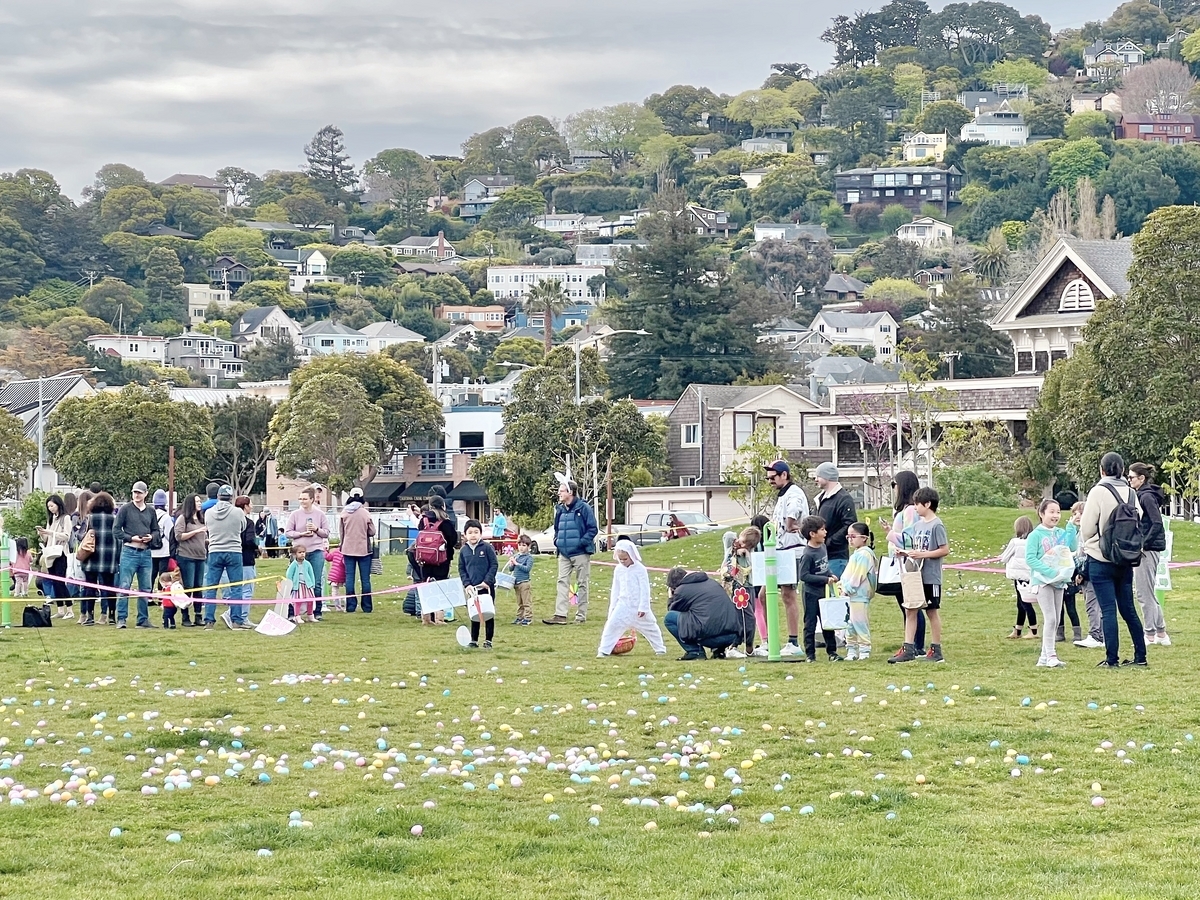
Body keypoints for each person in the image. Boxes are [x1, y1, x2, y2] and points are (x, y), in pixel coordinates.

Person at [1080, 451, 1147, 668]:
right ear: (1121, 469)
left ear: (1102, 470)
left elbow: (1087, 529)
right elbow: (1139, 519)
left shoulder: (1098, 492)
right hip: (1125, 558)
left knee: (1108, 609)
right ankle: (1140, 656)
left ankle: (1112, 659)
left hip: (1101, 558)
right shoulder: (1130, 492)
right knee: (1128, 609)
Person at [889, 486, 949, 664]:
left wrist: (922, 555)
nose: (915, 508)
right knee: (910, 609)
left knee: (931, 612)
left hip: (931, 576)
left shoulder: (937, 525)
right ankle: (908, 648)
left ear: (928, 504)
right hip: (915, 576)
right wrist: (906, 553)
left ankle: (936, 650)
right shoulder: (917, 526)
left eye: (917, 504)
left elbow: (944, 549)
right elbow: (916, 549)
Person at [1025, 498, 1078, 669]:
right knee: (1051, 618)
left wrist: (1072, 528)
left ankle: (1043, 657)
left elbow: (1069, 548)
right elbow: (1031, 559)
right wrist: (1049, 572)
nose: (1055, 515)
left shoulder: (1059, 533)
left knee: (1055, 619)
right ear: (1042, 514)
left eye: (1058, 512)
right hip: (1042, 581)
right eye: (1051, 512)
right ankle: (1051, 655)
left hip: (1058, 581)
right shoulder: (1035, 535)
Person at [764, 460, 809, 656]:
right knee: (763, 594)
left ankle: (793, 642)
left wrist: (791, 524)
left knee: (788, 595)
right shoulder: (783, 494)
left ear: (784, 475)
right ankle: (768, 639)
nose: (770, 481)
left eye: (773, 477)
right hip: (779, 551)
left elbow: (793, 513)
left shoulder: (794, 493)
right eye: (768, 478)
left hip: (793, 551)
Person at [665, 566, 753, 661]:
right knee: (708, 615)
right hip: (731, 636)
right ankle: (719, 651)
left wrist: (671, 597)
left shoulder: (682, 590)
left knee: (669, 619)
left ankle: (695, 651)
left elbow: (672, 610)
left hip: (710, 637)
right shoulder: (712, 583)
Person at [597, 539, 666, 657]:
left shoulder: (640, 569)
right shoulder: (618, 570)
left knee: (651, 627)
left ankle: (660, 649)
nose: (623, 561)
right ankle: (604, 650)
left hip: (638, 607)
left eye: (625, 559)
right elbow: (615, 589)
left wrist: (644, 607)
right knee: (611, 626)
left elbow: (645, 589)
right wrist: (613, 607)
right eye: (620, 559)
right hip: (623, 605)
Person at [883, 471, 926, 655]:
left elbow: (909, 539)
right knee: (906, 606)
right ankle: (911, 644)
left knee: (911, 605)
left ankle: (916, 645)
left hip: (906, 563)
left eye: (895, 484)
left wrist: (889, 532)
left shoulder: (909, 511)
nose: (894, 488)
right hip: (900, 563)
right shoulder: (904, 510)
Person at [544, 480, 598, 626]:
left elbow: (593, 529)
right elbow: (557, 528)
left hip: (580, 553)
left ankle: (581, 616)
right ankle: (560, 615)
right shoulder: (560, 510)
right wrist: (557, 541)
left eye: (561, 491)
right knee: (562, 582)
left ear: (570, 492)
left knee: (582, 584)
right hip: (563, 553)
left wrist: (581, 543)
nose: (558, 493)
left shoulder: (584, 508)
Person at [1129, 462, 1170, 647]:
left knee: (1143, 593)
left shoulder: (1146, 497)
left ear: (1141, 478)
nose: (1129, 480)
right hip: (1149, 547)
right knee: (1148, 592)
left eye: (1131, 477)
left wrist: (1143, 545)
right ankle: (1160, 632)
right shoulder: (1144, 495)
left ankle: (1150, 634)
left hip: (1148, 549)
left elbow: (1156, 522)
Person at [201, 485, 247, 630]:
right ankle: (236, 620)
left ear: (218, 496)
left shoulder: (208, 512)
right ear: (231, 497)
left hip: (214, 551)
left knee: (212, 587)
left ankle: (209, 621)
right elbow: (243, 527)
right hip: (234, 551)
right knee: (236, 587)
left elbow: (207, 527)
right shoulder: (238, 512)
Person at [115, 480, 159, 628]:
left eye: (139, 492)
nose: (136, 495)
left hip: (145, 553)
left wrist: (151, 537)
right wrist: (130, 538)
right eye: (134, 492)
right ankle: (121, 619)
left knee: (146, 588)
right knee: (124, 586)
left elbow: (156, 530)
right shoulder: (125, 509)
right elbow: (116, 530)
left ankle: (143, 619)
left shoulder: (151, 511)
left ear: (146, 494)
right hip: (129, 552)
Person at [797, 515, 841, 663]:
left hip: (824, 592)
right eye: (822, 529)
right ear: (812, 534)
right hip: (810, 594)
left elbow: (824, 567)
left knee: (827, 623)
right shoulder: (808, 554)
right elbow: (804, 576)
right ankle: (810, 654)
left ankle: (832, 652)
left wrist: (830, 575)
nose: (825, 532)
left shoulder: (822, 547)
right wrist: (824, 580)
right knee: (810, 624)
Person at [285, 486, 330, 618]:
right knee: (295, 581)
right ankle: (293, 612)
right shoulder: (295, 514)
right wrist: (300, 534)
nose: (302, 501)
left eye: (305, 499)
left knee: (315, 582)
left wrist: (316, 529)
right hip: (298, 552)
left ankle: (316, 612)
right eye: (300, 499)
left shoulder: (320, 514)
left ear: (312, 499)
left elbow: (326, 533)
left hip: (316, 551)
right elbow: (288, 532)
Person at [80, 492, 119, 627]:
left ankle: (90, 616)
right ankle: (112, 615)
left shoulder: (89, 518)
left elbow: (81, 536)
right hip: (109, 556)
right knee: (109, 587)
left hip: (91, 556)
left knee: (90, 586)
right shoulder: (114, 519)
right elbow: (118, 538)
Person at [840, 521, 877, 660]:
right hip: (851, 595)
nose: (850, 539)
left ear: (864, 538)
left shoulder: (865, 554)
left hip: (858, 595)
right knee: (849, 624)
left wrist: (848, 588)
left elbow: (858, 575)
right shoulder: (857, 553)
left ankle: (864, 650)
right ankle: (851, 650)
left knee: (859, 622)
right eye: (848, 537)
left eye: (853, 536)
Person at [459, 519, 499, 648]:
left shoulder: (487, 548)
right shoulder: (464, 551)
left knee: (488, 613)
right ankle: (474, 640)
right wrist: (467, 584)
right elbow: (462, 569)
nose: (473, 535)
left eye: (476, 532)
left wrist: (487, 581)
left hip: (486, 587)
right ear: (465, 535)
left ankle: (488, 640)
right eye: (470, 532)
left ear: (480, 534)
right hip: (472, 588)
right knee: (474, 613)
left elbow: (494, 564)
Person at [814, 463, 858, 579]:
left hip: (837, 557)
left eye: (818, 476)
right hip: (823, 555)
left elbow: (850, 525)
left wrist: (829, 542)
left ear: (827, 477)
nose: (815, 479)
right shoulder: (821, 498)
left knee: (835, 593)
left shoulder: (843, 499)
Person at [340, 488, 376, 614]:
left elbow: (342, 533)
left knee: (350, 578)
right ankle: (367, 606)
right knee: (365, 579)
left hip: (348, 549)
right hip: (363, 550)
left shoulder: (344, 513)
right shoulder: (365, 513)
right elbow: (372, 532)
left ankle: (350, 606)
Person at [173, 494, 208, 627]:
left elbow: (201, 538)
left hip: (200, 556)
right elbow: (179, 536)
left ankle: (198, 616)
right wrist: (197, 531)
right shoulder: (183, 519)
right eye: (197, 501)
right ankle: (185, 616)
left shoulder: (201, 519)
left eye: (200, 501)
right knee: (188, 587)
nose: (200, 503)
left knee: (198, 586)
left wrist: (207, 540)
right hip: (186, 556)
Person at [36, 494, 73, 617]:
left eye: (52, 506)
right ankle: (60, 610)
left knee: (60, 582)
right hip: (50, 553)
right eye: (49, 507)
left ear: (58, 504)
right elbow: (47, 538)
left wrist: (51, 532)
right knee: (54, 581)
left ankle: (70, 610)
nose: (51, 508)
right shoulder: (51, 519)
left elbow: (66, 536)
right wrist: (42, 533)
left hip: (61, 553)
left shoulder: (66, 518)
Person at [1001, 516, 1037, 640]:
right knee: (1021, 603)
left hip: (1019, 576)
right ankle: (1018, 629)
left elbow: (1004, 557)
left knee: (1024, 603)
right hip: (1029, 575)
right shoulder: (1033, 541)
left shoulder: (1015, 542)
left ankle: (1033, 629)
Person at [229, 496, 257, 629]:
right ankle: (242, 617)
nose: (252, 506)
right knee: (247, 590)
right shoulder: (248, 523)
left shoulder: (230, 521)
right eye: (251, 504)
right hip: (246, 559)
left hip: (232, 558)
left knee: (236, 588)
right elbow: (249, 541)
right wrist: (257, 547)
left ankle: (231, 613)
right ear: (245, 506)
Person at [284, 544, 317, 625]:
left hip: (307, 586)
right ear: (295, 554)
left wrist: (312, 583)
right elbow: (289, 575)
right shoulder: (293, 565)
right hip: (297, 586)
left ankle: (310, 615)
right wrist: (290, 585)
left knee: (310, 601)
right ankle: (297, 616)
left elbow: (311, 574)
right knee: (298, 602)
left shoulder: (307, 564)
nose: (302, 554)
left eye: (303, 552)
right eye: (300, 552)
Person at [509, 535, 535, 625]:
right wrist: (512, 563)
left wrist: (517, 564)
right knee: (519, 602)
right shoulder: (517, 556)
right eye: (519, 545)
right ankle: (520, 617)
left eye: (524, 545)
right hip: (516, 583)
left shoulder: (529, 558)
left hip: (524, 583)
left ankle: (528, 617)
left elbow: (527, 569)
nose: (521, 547)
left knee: (526, 601)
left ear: (528, 546)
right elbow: (511, 569)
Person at [151, 490, 173, 590]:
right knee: (162, 574)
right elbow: (170, 534)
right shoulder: (166, 517)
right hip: (164, 550)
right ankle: (161, 596)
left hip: (151, 549)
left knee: (151, 573)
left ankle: (149, 596)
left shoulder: (150, 515)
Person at [325, 545, 346, 612]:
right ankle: (346, 605)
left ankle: (338, 607)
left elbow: (328, 558)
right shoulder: (346, 553)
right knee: (347, 591)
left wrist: (325, 551)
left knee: (335, 592)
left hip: (334, 575)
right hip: (343, 575)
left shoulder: (336, 551)